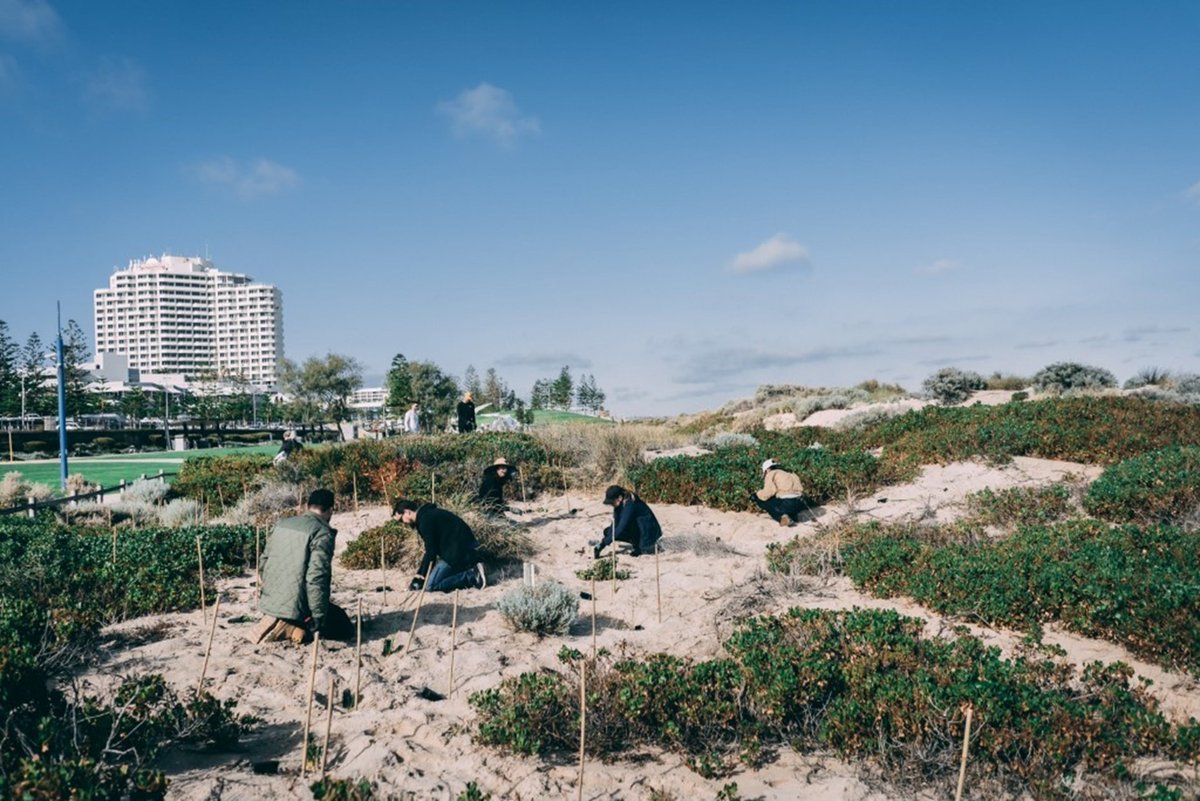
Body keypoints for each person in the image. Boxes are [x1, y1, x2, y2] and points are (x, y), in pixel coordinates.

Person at [254, 489, 353, 643]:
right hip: (296, 608)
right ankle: (293, 628)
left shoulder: (281, 524)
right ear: (331, 510)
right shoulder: (322, 533)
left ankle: (281, 620)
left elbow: (263, 562)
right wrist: (318, 616)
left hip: (269, 602)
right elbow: (316, 577)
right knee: (345, 628)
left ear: (307, 506)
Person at [393, 499, 487, 592]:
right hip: (457, 548)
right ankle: (470, 569)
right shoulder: (426, 516)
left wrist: (421, 577)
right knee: (433, 581)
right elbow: (431, 551)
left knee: (431, 586)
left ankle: (472, 576)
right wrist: (420, 576)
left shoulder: (425, 521)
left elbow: (431, 552)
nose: (403, 523)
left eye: (401, 520)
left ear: (407, 512)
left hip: (457, 550)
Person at [594, 484, 662, 558]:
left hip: (648, 531)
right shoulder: (619, 504)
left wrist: (604, 543)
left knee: (643, 548)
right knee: (607, 532)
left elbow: (621, 526)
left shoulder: (631, 504)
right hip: (637, 529)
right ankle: (636, 543)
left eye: (612, 502)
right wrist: (602, 543)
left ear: (619, 498)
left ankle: (641, 546)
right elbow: (615, 523)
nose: (611, 504)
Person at [752, 458, 805, 527]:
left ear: (767, 469)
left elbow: (768, 493)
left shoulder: (771, 474)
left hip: (787, 503)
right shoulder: (790, 474)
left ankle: (782, 518)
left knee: (762, 500)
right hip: (800, 504)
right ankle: (793, 516)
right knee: (784, 498)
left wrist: (756, 495)